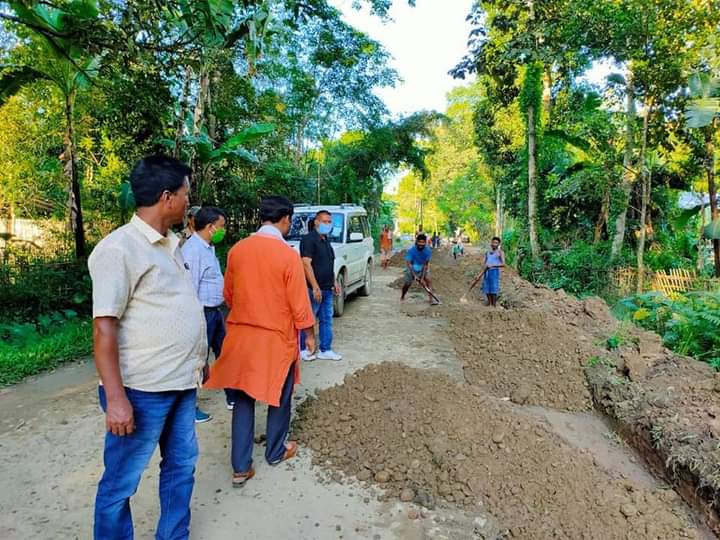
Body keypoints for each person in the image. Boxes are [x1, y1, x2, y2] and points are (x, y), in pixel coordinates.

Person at [89, 155, 207, 540]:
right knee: (121, 482)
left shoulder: (171, 245)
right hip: (142, 392)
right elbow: (104, 327)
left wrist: (197, 358)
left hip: (180, 384)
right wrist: (116, 399)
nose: (189, 201)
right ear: (167, 196)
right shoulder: (118, 249)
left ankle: (174, 535)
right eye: (186, 193)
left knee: (181, 468)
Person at [204, 196, 315, 488]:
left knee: (242, 397)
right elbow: (299, 304)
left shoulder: (237, 250)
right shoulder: (287, 255)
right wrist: (310, 334)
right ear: (286, 220)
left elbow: (228, 295)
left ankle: (241, 467)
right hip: (276, 339)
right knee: (280, 393)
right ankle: (276, 451)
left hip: (240, 337)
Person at [181, 206, 235, 421]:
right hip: (201, 313)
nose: (224, 230)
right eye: (221, 226)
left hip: (215, 312)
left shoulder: (207, 247)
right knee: (197, 359)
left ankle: (232, 395)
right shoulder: (192, 251)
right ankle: (189, 408)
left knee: (225, 353)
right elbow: (190, 289)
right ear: (211, 227)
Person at [299, 210, 342, 361]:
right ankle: (303, 349)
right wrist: (315, 286)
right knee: (308, 319)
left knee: (327, 319)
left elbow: (329, 264)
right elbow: (305, 263)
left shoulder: (326, 241)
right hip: (313, 289)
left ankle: (326, 349)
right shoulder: (309, 240)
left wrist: (334, 281)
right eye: (325, 221)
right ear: (316, 222)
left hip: (327, 288)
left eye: (330, 222)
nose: (328, 224)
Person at [401, 233, 438, 305]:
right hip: (412, 268)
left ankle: (431, 300)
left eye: (423, 242)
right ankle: (402, 296)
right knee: (407, 284)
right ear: (416, 242)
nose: (421, 244)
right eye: (419, 242)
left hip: (422, 267)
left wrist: (422, 277)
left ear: (425, 242)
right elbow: (409, 264)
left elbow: (426, 264)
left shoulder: (428, 251)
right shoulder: (411, 251)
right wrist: (414, 275)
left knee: (428, 280)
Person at [482, 236, 505, 307]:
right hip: (486, 272)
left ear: (498, 244)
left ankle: (494, 304)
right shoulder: (487, 252)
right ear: (491, 243)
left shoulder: (500, 252)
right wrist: (484, 267)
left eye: (496, 243)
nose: (495, 244)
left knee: (493, 288)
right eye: (494, 242)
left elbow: (503, 264)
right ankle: (489, 302)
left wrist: (492, 265)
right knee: (487, 287)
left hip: (494, 272)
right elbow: (485, 262)